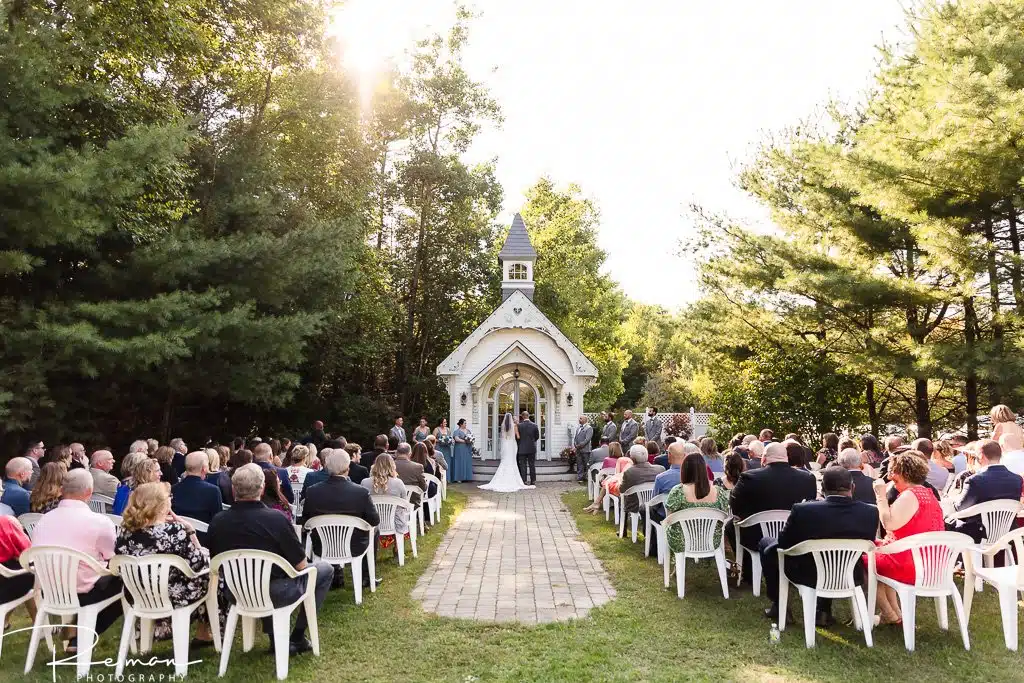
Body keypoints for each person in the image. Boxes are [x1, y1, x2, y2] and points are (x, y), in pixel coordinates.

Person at [207, 464, 333, 655]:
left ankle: (277, 639)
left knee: (266, 575)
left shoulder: (217, 520)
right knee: (324, 570)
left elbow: (216, 561)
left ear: (234, 489)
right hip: (273, 591)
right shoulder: (277, 519)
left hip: (235, 591)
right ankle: (297, 636)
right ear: (262, 488)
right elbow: (301, 566)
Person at [759, 468, 879, 624]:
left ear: (822, 488)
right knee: (827, 554)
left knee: (766, 544)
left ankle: (779, 603)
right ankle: (823, 610)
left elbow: (785, 542)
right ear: (853, 487)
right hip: (849, 573)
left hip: (809, 573)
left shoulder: (804, 510)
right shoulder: (870, 512)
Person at [116, 482, 218, 644]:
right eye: (168, 497)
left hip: (139, 593)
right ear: (161, 505)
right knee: (213, 577)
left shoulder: (124, 531)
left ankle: (150, 633)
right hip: (173, 596)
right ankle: (204, 632)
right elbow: (199, 563)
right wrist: (190, 531)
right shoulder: (176, 531)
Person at [32, 469, 121, 653]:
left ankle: (76, 633)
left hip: (50, 591)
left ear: (62, 490)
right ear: (89, 492)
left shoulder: (42, 521)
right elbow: (113, 558)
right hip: (84, 592)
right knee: (127, 583)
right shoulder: (100, 522)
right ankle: (81, 637)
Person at [871, 452, 945, 624]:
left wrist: (880, 496)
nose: (890, 477)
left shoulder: (910, 495)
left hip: (913, 564)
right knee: (879, 552)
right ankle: (896, 613)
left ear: (904, 473)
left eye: (893, 472)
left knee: (865, 560)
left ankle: (889, 614)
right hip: (932, 561)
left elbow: (889, 524)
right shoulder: (928, 493)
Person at [729, 442, 817, 585]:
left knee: (730, 525)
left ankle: (748, 572)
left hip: (757, 535)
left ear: (763, 459)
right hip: (791, 534)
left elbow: (735, 507)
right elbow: (810, 506)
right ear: (786, 458)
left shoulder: (749, 477)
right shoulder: (807, 478)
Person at [301, 450, 381, 589]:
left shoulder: (312, 491)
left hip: (323, 544)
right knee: (375, 530)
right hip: (353, 546)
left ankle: (335, 574)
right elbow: (374, 520)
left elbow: (306, 521)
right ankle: (366, 576)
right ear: (347, 468)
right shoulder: (360, 492)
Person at [947, 439, 1024, 543]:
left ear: (981, 456)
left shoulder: (974, 480)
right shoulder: (1017, 479)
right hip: (1007, 532)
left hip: (979, 534)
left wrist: (953, 501)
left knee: (948, 521)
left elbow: (960, 507)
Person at [665, 452, 730, 555]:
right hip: (711, 541)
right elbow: (724, 514)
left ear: (684, 470)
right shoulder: (719, 492)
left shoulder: (678, 491)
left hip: (682, 541)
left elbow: (668, 518)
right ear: (704, 469)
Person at [480, 413, 535, 493]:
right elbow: (518, 437)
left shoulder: (503, 426)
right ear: (511, 419)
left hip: (506, 445)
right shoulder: (515, 426)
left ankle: (501, 479)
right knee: (512, 461)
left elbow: (502, 437)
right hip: (512, 445)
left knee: (505, 461)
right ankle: (514, 480)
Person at [360, 454, 410, 543]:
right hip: (395, 522)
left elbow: (363, 504)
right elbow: (404, 503)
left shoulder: (365, 482)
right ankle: (397, 546)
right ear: (392, 465)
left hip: (372, 523)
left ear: (375, 465)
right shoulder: (398, 483)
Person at [171, 451, 224, 525]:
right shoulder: (213, 491)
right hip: (204, 535)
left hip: (178, 533)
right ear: (204, 468)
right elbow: (218, 520)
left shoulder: (173, 489)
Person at [620, 444, 665, 519]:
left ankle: (623, 524)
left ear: (632, 458)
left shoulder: (629, 472)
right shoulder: (660, 469)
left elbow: (622, 490)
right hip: (656, 504)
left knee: (622, 498)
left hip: (636, 506)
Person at [0, 514, 33, 609]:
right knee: (29, 572)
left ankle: (5, 621)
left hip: (7, 576)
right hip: (11, 581)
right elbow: (27, 551)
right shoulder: (6, 521)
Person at [516, 411, 540, 486]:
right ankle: (533, 481)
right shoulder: (534, 425)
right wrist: (532, 442)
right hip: (531, 448)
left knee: (523, 465)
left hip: (522, 448)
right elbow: (537, 437)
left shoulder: (519, 426)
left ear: (522, 417)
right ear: (528, 416)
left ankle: (524, 481)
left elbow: (517, 438)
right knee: (532, 464)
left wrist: (521, 443)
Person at [572, 415, 594, 481]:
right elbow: (576, 437)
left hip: (585, 450)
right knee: (579, 464)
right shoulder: (578, 427)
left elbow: (587, 439)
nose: (579, 419)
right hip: (578, 450)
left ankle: (587, 478)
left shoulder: (589, 428)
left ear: (585, 420)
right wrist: (575, 444)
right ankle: (580, 478)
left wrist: (579, 445)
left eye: (581, 418)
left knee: (586, 464)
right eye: (579, 418)